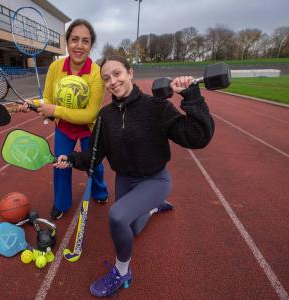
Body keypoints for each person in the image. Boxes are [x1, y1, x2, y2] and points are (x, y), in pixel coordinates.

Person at [54, 55, 215, 297]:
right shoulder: (105, 117)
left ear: (130, 73)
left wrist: (191, 96)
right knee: (133, 229)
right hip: (125, 180)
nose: (113, 81)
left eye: (117, 74)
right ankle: (152, 208)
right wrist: (71, 159)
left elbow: (197, 137)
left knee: (117, 216)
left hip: (155, 179)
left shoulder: (156, 106)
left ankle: (122, 272)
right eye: (106, 78)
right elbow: (94, 156)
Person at [19, 19, 108, 220]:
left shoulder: (97, 74)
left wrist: (55, 110)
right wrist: (32, 102)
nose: (79, 45)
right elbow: (48, 98)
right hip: (65, 127)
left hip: (88, 127)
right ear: (67, 42)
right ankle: (61, 203)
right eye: (74, 39)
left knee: (95, 164)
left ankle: (100, 192)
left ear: (91, 45)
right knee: (60, 164)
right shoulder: (55, 67)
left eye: (85, 41)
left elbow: (91, 114)